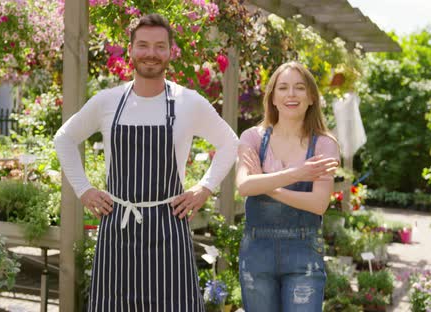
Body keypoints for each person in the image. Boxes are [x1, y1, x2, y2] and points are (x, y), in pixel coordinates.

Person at [54, 13, 239, 311]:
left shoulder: (188, 102)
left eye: (159, 46)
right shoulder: (107, 101)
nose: (151, 53)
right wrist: (83, 189)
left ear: (170, 52)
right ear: (130, 50)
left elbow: (231, 143)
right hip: (118, 229)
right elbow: (64, 138)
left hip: (169, 228)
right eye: (143, 45)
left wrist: (204, 188)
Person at [235, 61, 340, 311]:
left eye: (299, 88)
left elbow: (318, 204)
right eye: (282, 88)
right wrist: (298, 173)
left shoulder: (324, 144)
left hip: (303, 253)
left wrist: (266, 183)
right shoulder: (252, 138)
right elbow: (243, 186)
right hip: (256, 252)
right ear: (272, 97)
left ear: (312, 97)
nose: (291, 94)